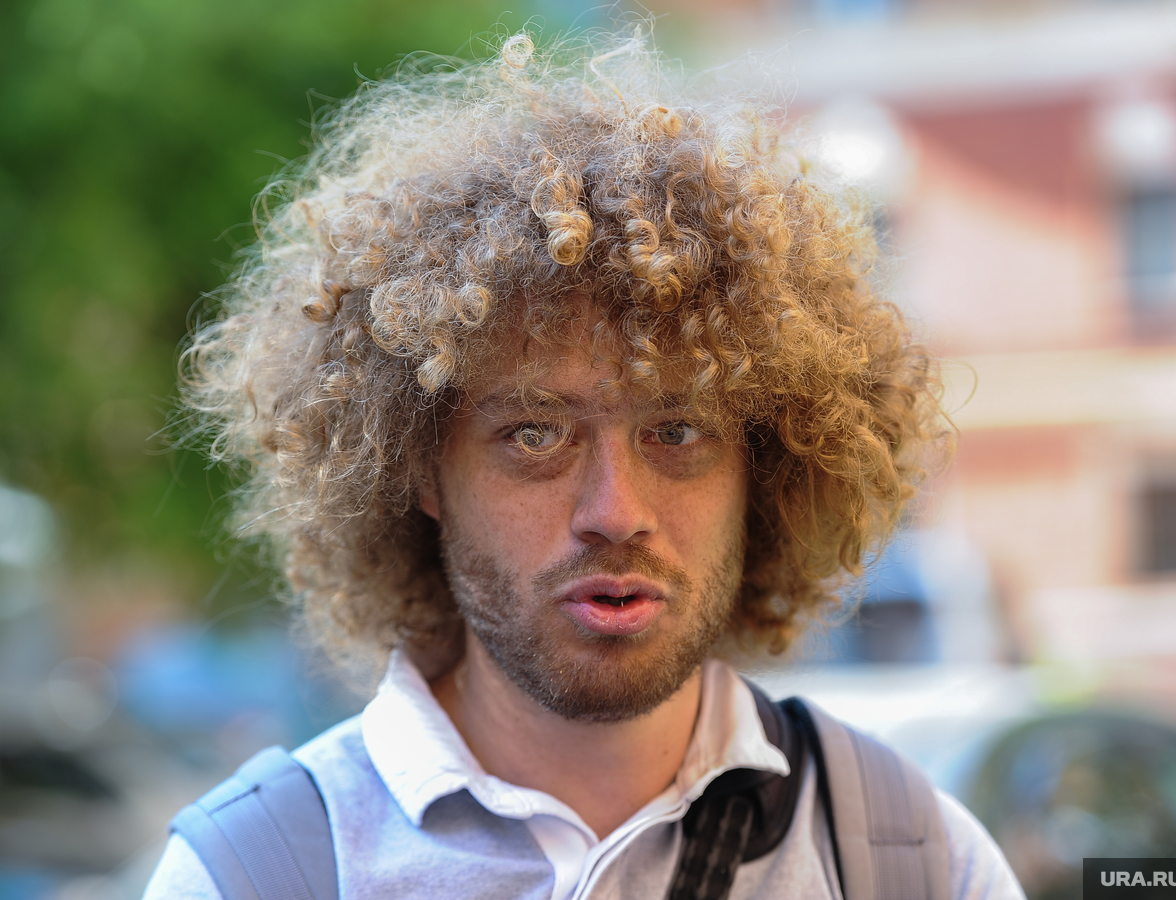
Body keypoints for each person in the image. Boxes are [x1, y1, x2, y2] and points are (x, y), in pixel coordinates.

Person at [146, 29, 1024, 900]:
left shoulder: (917, 863)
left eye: (677, 432)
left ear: (763, 469)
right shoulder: (254, 876)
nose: (615, 511)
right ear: (420, 470)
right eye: (536, 435)